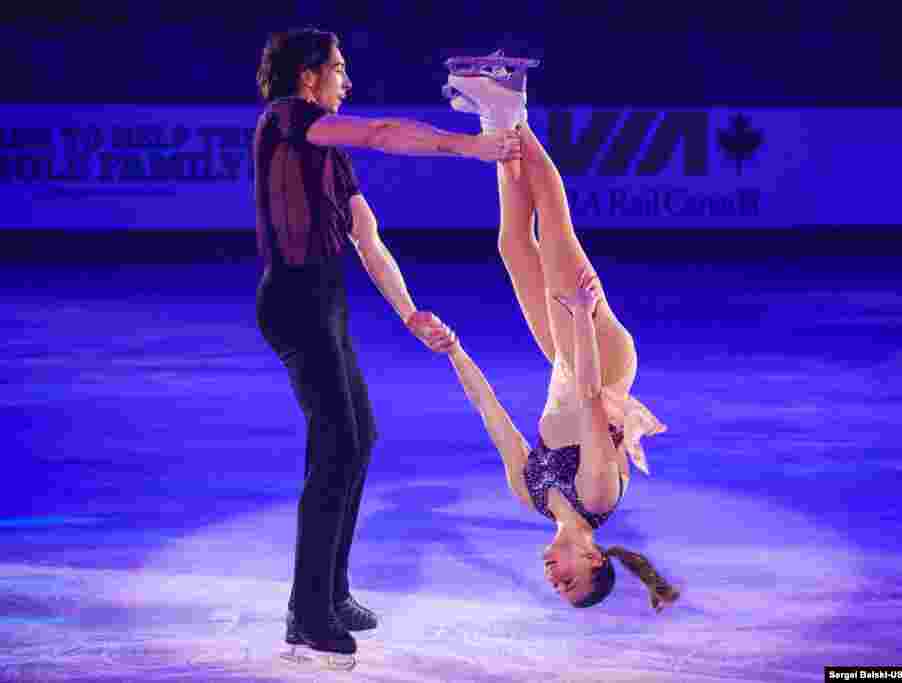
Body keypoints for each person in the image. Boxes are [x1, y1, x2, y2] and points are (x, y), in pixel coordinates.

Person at [252, 28, 521, 659]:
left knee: (357, 437)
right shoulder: (289, 118)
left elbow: (368, 238)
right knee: (337, 447)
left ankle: (331, 593)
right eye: (339, 69)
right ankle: (307, 611)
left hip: (323, 300)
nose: (347, 81)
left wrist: (408, 313)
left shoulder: (328, 151)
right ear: (309, 76)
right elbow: (384, 133)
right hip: (293, 300)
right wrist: (472, 148)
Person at [424, 56, 681, 611]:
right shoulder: (597, 495)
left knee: (513, 245)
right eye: (567, 580)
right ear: (594, 560)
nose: (551, 576)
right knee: (555, 226)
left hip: (565, 362)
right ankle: (511, 113)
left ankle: (499, 120)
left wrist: (456, 352)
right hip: (598, 360)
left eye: (552, 586)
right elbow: (590, 402)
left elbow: (494, 418)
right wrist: (584, 320)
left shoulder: (530, 496)